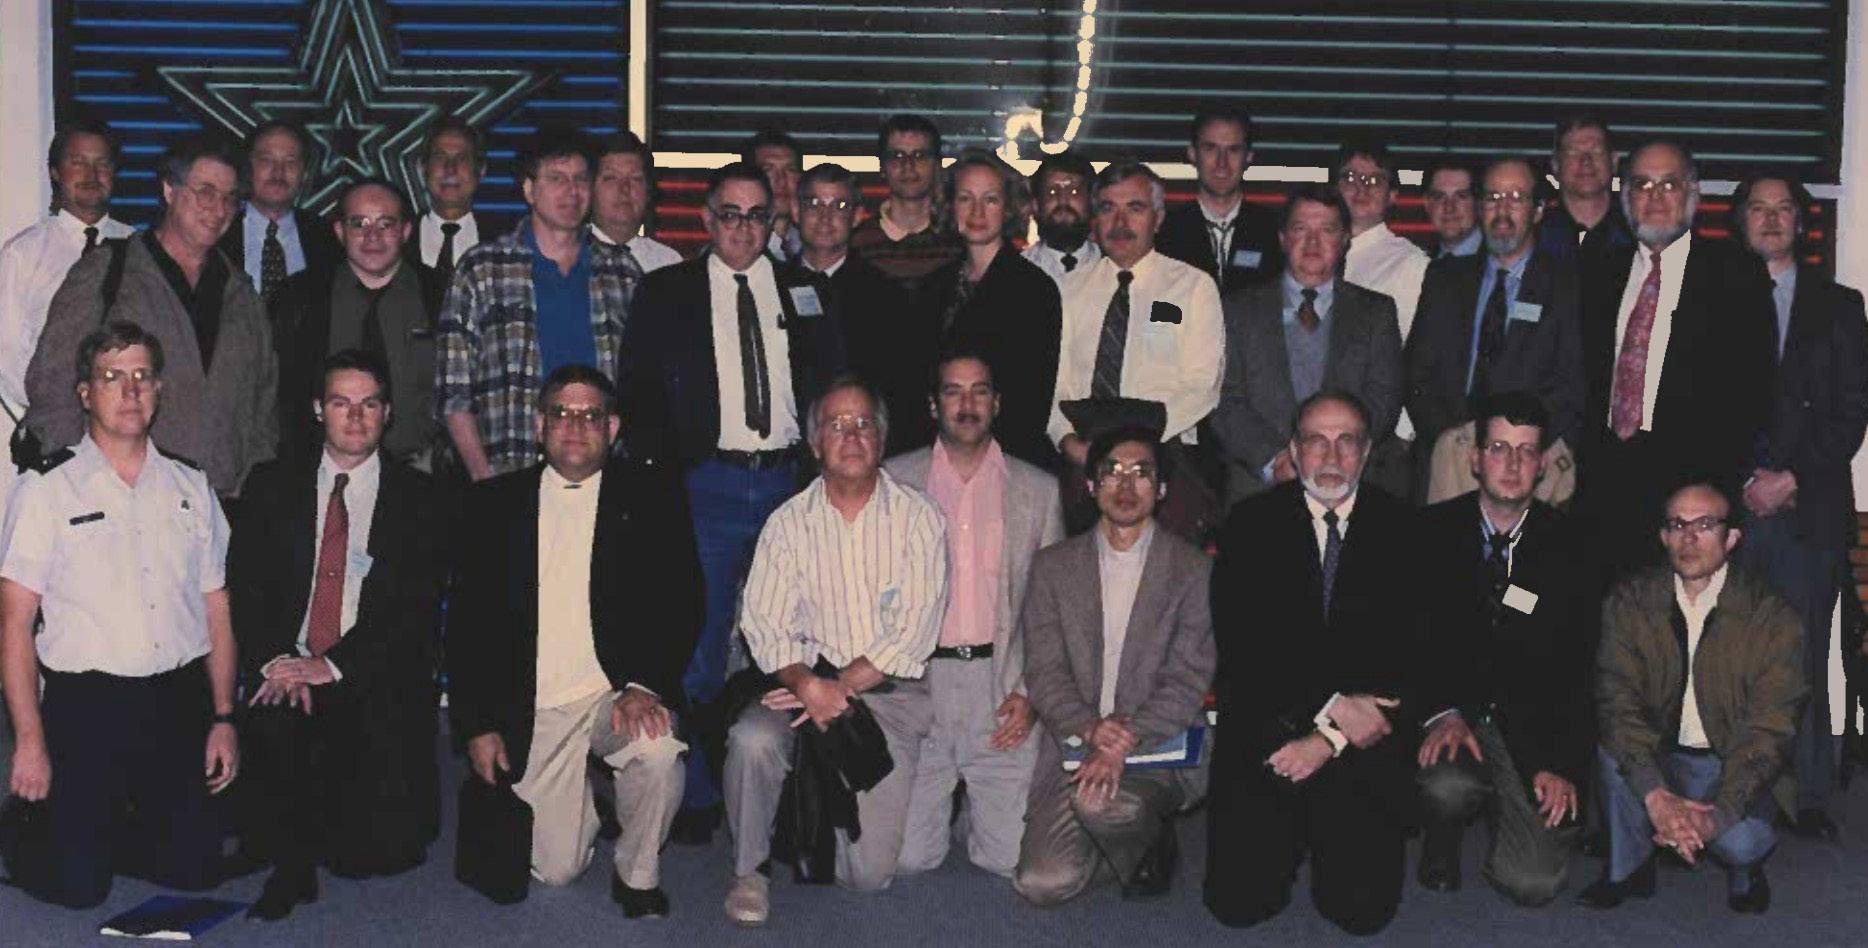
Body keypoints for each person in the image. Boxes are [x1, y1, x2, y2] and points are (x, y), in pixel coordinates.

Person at [621, 162, 847, 842]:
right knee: (699, 639)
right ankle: (695, 795)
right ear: (706, 219)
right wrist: (665, 479)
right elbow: (638, 393)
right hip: (708, 485)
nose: (743, 229)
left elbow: (831, 385)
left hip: (788, 485)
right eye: (729, 214)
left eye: (756, 216)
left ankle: (788, 795)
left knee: (796, 637)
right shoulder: (667, 291)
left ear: (774, 221)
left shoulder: (805, 289)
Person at [448, 364, 702, 917]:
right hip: (535, 706)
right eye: (562, 413)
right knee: (556, 870)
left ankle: (637, 876)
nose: (575, 426)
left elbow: (683, 602)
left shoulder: (651, 496)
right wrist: (478, 725)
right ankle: (587, 800)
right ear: (540, 425)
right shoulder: (493, 505)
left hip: (612, 695)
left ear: (612, 428)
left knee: (658, 749)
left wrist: (644, 685)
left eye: (591, 415)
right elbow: (465, 628)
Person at [1, 322, 238, 909]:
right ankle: (28, 824)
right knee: (78, 888)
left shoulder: (191, 485)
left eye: (142, 377)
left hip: (175, 700)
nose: (130, 391)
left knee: (199, 869)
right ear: (86, 393)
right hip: (88, 706)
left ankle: (109, 824)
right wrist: (29, 740)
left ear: (159, 390)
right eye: (112, 377)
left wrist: (223, 717)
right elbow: (14, 623)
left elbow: (217, 608)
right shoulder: (47, 489)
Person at [228, 349, 451, 920]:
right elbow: (245, 588)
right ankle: (292, 864)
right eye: (340, 403)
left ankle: (317, 827)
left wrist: (329, 667)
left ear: (388, 413)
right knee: (277, 726)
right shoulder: (271, 484)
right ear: (317, 410)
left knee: (373, 855)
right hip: (287, 664)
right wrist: (279, 661)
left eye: (369, 404)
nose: (355, 417)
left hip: (370, 671)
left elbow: (412, 611)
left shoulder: (422, 499)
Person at [722, 377, 946, 926]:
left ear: (881, 439)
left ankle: (807, 807)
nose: (851, 435)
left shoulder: (920, 519)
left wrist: (833, 689)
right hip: (800, 684)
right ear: (815, 443)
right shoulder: (786, 524)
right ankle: (749, 870)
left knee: (868, 877)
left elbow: (913, 634)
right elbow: (765, 627)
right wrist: (807, 685)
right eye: (836, 425)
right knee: (752, 739)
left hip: (887, 695)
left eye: (863, 423)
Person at [1205, 390, 1426, 936]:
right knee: (1238, 905)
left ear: (1367, 451)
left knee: (1361, 913)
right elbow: (1243, 650)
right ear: (1293, 450)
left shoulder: (1407, 530)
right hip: (1271, 730)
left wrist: (1327, 739)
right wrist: (1326, 705)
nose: (1330, 457)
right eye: (1315, 441)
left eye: (1346, 441)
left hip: (1361, 742)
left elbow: (1409, 657)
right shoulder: (1249, 524)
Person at [1011, 428, 1215, 906]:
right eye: (1112, 472)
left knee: (1096, 805)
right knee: (1042, 883)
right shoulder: (1052, 567)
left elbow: (1188, 679)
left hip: (1158, 742)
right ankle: (1136, 842)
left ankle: (1139, 835)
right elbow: (1044, 670)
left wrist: (1124, 738)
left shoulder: (1193, 570)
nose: (1125, 485)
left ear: (1161, 489)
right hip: (1076, 739)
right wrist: (1090, 728)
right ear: (1090, 485)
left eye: (1141, 473)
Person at [1580, 483, 1804, 915]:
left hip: (1729, 763)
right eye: (1677, 525)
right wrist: (1657, 796)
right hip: (1659, 754)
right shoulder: (1630, 601)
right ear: (1663, 537)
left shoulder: (1772, 617)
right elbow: (1616, 702)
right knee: (1613, 748)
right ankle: (1628, 867)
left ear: (1731, 538)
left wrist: (1713, 817)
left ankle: (1744, 871)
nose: (1688, 538)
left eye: (1704, 525)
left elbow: (1770, 732)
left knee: (1741, 842)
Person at [885, 349, 1065, 879]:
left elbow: (1052, 610)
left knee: (1009, 860)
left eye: (979, 391)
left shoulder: (1039, 489)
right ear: (933, 405)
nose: (967, 404)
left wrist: (1031, 694)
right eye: (953, 392)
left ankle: (976, 812)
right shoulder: (893, 480)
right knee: (908, 859)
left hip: (1000, 685)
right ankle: (948, 804)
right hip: (923, 683)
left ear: (997, 403)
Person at [24, 133, 278, 498]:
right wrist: (78, 486)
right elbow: (54, 385)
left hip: (222, 504)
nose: (218, 209)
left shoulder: (242, 293)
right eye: (205, 192)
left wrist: (253, 486)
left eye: (230, 198)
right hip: (122, 499)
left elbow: (263, 406)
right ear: (169, 190)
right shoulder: (109, 272)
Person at [1413, 393, 1594, 904]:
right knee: (1448, 785)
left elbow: (1580, 669)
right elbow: (1409, 645)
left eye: (1526, 451)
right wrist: (1442, 712)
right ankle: (1442, 833)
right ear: (1475, 459)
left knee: (1534, 883)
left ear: (1542, 466)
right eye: (1498, 448)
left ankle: (1506, 809)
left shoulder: (1574, 548)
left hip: (1530, 728)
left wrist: (1561, 763)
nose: (1512, 464)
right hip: (1452, 715)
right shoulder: (1426, 534)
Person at [1731, 172, 1868, 839]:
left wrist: (1791, 480)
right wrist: (1739, 484)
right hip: (1730, 509)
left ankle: (1807, 797)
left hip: (1808, 506)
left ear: (1802, 222)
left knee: (1805, 651)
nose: (1771, 219)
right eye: (1758, 208)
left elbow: (1851, 413)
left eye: (1784, 208)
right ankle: (1735, 790)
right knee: (1731, 652)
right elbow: (1698, 403)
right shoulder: (1714, 298)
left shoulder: (1840, 306)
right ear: (1739, 221)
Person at [1572, 140, 1776, 582]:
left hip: (1692, 494)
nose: (1655, 197)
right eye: (1642, 185)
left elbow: (1754, 392)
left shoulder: (1735, 273)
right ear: (1624, 197)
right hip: (1604, 483)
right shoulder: (1598, 270)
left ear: (1694, 194)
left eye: (1670, 184)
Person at [436, 127, 643, 481]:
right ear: (529, 190)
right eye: (557, 178)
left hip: (605, 475)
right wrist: (484, 479)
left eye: (580, 179)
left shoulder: (622, 272)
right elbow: (454, 393)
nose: (572, 191)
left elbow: (640, 389)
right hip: (509, 470)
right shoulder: (482, 269)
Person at [1049, 162, 1224, 541]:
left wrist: (1136, 445)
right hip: (1085, 461)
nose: (1120, 222)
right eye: (1108, 208)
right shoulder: (1067, 291)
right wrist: (1068, 442)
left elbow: (1204, 386)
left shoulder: (1192, 287)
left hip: (1167, 459)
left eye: (1135, 208)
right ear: (1095, 220)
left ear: (1158, 219)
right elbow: (1053, 384)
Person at [1211, 184, 1401, 508]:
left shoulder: (1376, 312)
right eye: (1301, 229)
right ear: (1283, 238)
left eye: (1327, 230)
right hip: (1259, 488)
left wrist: (1336, 457)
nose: (1313, 243)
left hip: (1351, 486)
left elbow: (1384, 398)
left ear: (1344, 240)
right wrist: (1274, 460)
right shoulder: (1237, 310)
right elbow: (1223, 399)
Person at [1405, 157, 1585, 468]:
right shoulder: (1444, 278)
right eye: (1492, 197)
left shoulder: (1568, 286)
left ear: (1538, 210)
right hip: (1447, 460)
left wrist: (1516, 451)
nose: (1502, 210)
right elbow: (1416, 374)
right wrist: (1453, 444)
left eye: (1516, 197)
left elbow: (1572, 386)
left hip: (1527, 464)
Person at [0, 119, 136, 522]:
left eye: (102, 163)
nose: (92, 174)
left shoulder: (140, 250)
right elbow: (7, 357)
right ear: (55, 173)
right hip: (54, 443)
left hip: (131, 443)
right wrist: (60, 413)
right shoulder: (23, 255)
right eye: (78, 162)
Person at [271, 178, 448, 466]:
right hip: (320, 472)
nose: (372, 236)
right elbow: (279, 399)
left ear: (405, 231)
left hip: (422, 473)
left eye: (385, 224)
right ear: (340, 232)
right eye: (359, 223)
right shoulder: (297, 299)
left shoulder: (442, 296)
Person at [922, 149, 1063, 468]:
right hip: (938, 455)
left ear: (1008, 207)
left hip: (1007, 459)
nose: (977, 212)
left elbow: (1032, 398)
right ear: (950, 205)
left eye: (990, 199)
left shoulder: (1034, 289)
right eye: (965, 198)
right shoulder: (934, 286)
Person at [799, 162, 921, 456]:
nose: (825, 217)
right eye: (814, 204)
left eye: (839, 206)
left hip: (864, 453)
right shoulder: (771, 287)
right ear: (795, 210)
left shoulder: (888, 297)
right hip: (789, 457)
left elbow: (904, 394)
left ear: (857, 216)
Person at [1155, 106, 1282, 293]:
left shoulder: (1274, 230)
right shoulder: (1163, 232)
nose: (1222, 163)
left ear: (1248, 157)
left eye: (1233, 150)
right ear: (1192, 154)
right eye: (1210, 148)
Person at [217, 120, 340, 307]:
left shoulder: (331, 240)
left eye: (290, 162)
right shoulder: (216, 234)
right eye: (266, 160)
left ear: (305, 173)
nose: (278, 172)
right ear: (247, 168)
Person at [848, 114, 960, 290]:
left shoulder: (959, 241)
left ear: (937, 165)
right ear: (882, 167)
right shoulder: (855, 244)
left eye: (919, 155)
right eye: (897, 155)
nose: (908, 165)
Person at [1335, 139, 1430, 341]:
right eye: (1351, 178)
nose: (1362, 188)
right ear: (1335, 188)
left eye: (1375, 180)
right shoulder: (1310, 252)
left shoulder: (1412, 264)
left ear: (1392, 195)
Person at [1535, 111, 1634, 267]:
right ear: (1555, 165)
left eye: (1596, 151)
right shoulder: (1533, 235)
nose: (1586, 161)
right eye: (1573, 153)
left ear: (1614, 162)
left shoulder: (1639, 229)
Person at [408, 117, 496, 283]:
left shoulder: (505, 246)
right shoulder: (396, 241)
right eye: (440, 158)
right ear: (422, 167)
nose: (450, 169)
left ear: (481, 170)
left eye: (462, 159)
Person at [589, 131, 682, 273]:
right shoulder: (565, 258)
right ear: (589, 189)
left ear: (648, 191)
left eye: (635, 179)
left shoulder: (669, 263)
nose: (624, 189)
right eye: (611, 178)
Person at [1022, 150, 1100, 285]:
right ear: (1036, 205)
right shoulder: (1017, 271)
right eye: (1052, 192)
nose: (1063, 200)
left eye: (1074, 192)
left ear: (1091, 202)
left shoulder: (1113, 268)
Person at [743, 129, 804, 261]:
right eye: (768, 170)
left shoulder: (818, 245)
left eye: (791, 170)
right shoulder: (729, 251)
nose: (781, 180)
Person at [1421, 159, 1482, 259]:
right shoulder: (1418, 262)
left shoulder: (1503, 259)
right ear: (1427, 204)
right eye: (1439, 197)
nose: (1449, 208)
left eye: (1461, 196)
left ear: (1478, 203)